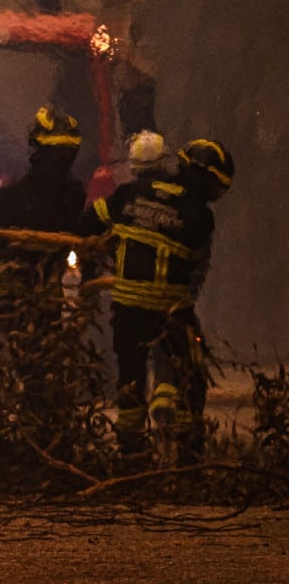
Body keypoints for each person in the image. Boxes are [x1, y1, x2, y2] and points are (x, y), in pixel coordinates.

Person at [79, 138, 233, 460]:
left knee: (130, 379)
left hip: (127, 310)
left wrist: (108, 246)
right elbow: (194, 266)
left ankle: (132, 453)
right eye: (216, 187)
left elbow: (89, 221)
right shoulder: (200, 217)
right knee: (191, 375)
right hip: (171, 311)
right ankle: (188, 452)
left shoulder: (131, 193)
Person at [0, 107, 86, 318]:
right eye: (56, 156)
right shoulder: (8, 200)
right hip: (12, 291)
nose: (60, 164)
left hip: (48, 288)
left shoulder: (72, 195)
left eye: (65, 155)